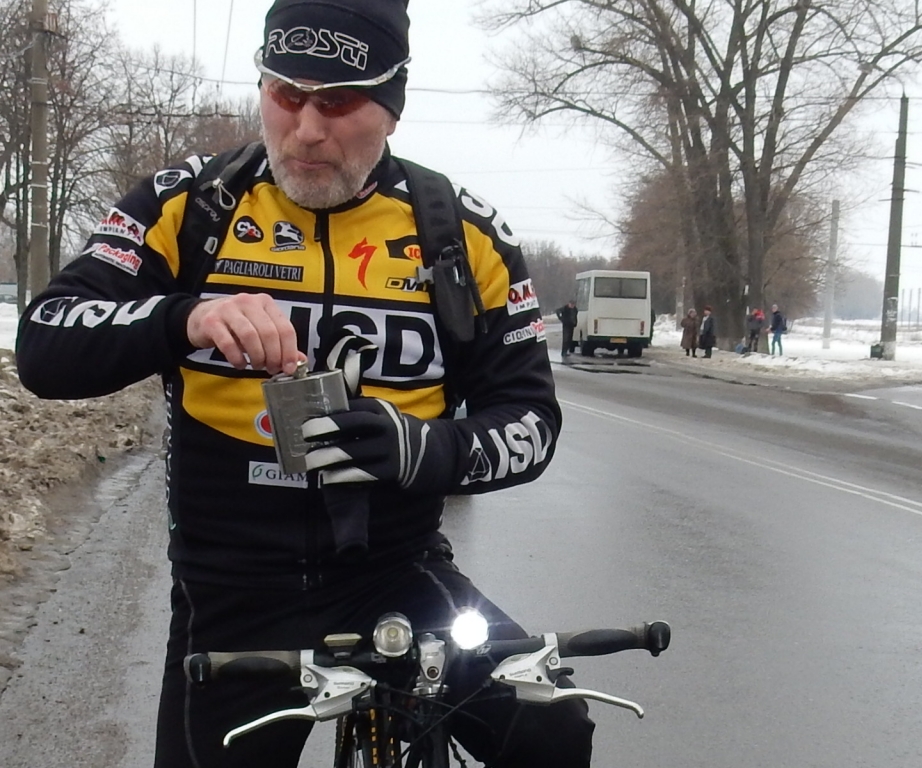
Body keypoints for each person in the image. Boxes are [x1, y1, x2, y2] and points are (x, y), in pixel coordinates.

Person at [15, 2, 593, 766]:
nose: (307, 130)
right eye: (286, 95)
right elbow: (44, 342)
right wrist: (186, 317)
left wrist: (424, 449)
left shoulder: (460, 232)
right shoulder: (191, 206)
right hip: (235, 591)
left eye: (339, 102)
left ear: (392, 109)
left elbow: (531, 421)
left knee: (554, 727)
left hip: (398, 576)